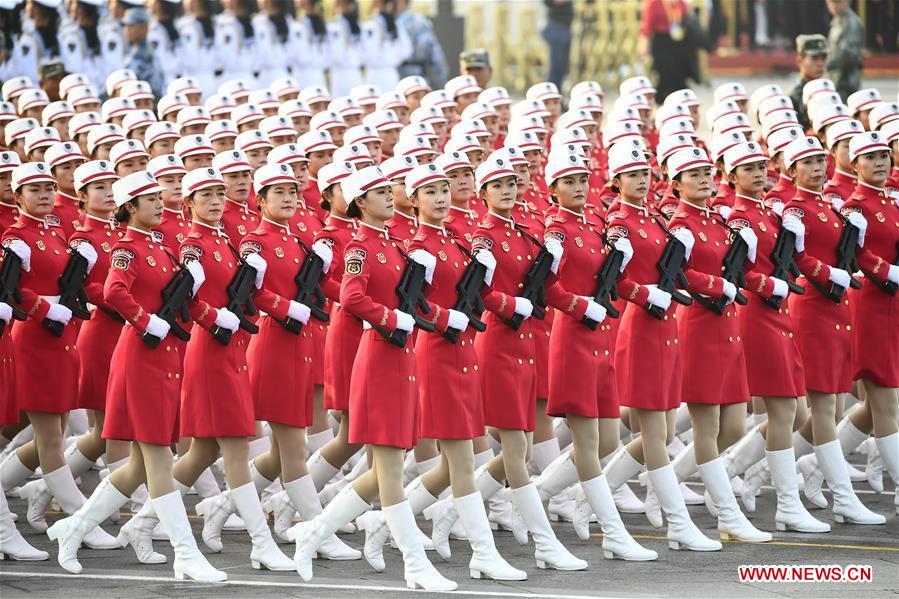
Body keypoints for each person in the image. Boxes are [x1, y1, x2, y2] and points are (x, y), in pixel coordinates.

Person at [44, 169, 227, 582]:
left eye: (159, 198)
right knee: (159, 457)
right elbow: (112, 291)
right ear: (131, 208)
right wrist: (145, 320)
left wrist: (203, 309)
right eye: (150, 200)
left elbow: (180, 300)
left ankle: (72, 528)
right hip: (141, 355)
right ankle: (186, 553)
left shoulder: (161, 246)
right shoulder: (127, 249)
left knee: (140, 466)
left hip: (164, 355)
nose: (160, 204)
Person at [293, 165, 457, 592]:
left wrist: (442, 316)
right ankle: (415, 564)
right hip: (379, 354)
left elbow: (415, 300)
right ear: (360, 203)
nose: (390, 197)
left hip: (400, 354)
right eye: (380, 193)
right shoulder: (361, 247)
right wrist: (391, 318)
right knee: (389, 470)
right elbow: (350, 295)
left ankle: (313, 533)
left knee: (381, 472)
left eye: (390, 190)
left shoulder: (396, 245)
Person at [638, 0, 700, 103]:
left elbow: (687, 18)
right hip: (661, 43)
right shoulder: (653, 3)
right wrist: (644, 47)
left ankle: (675, 101)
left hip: (678, 43)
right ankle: (663, 101)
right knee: (667, 74)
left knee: (679, 73)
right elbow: (647, 27)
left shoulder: (680, 2)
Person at [394, 0, 448, 89]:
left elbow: (433, 54)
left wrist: (442, 84)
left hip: (413, 77)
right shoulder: (383, 21)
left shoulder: (417, 22)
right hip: (388, 78)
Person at [789, 35, 829, 132]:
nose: (820, 63)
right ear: (799, 61)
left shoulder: (829, 92)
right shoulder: (793, 97)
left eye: (823, 58)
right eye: (814, 58)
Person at [826, 0, 864, 102]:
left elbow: (848, 54)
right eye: (831, 2)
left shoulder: (851, 22)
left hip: (846, 82)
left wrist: (825, 63)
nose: (834, 5)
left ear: (847, 2)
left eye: (837, 2)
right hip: (836, 80)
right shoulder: (837, 21)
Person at [122, 8, 164, 100]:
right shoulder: (132, 49)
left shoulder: (147, 55)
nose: (127, 29)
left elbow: (155, 89)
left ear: (144, 28)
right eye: (125, 25)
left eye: (131, 25)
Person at [543, 0, 574, 91]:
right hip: (557, 26)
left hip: (567, 26)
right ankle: (552, 95)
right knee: (557, 67)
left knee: (563, 67)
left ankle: (557, 96)